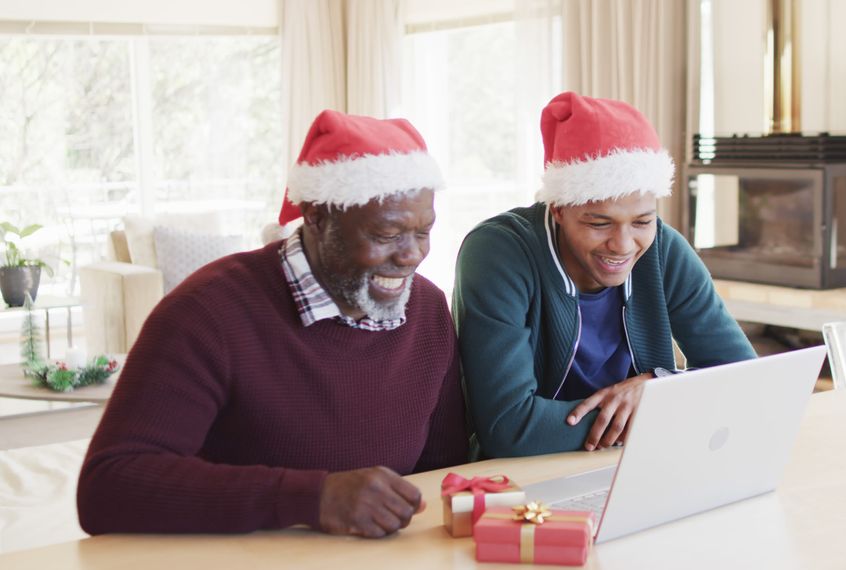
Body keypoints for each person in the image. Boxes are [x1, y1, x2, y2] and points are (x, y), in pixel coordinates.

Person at [78, 110, 467, 538]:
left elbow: (444, 473)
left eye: (424, 232)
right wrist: (311, 498)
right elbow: (108, 487)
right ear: (318, 216)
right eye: (388, 234)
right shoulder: (205, 313)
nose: (412, 255)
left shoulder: (427, 310)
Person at [453, 92, 756, 458]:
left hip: (638, 461)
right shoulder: (498, 253)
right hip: (523, 477)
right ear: (559, 209)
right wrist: (663, 408)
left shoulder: (663, 249)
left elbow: (745, 380)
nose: (623, 245)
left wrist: (659, 387)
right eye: (599, 223)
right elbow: (510, 428)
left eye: (642, 221)